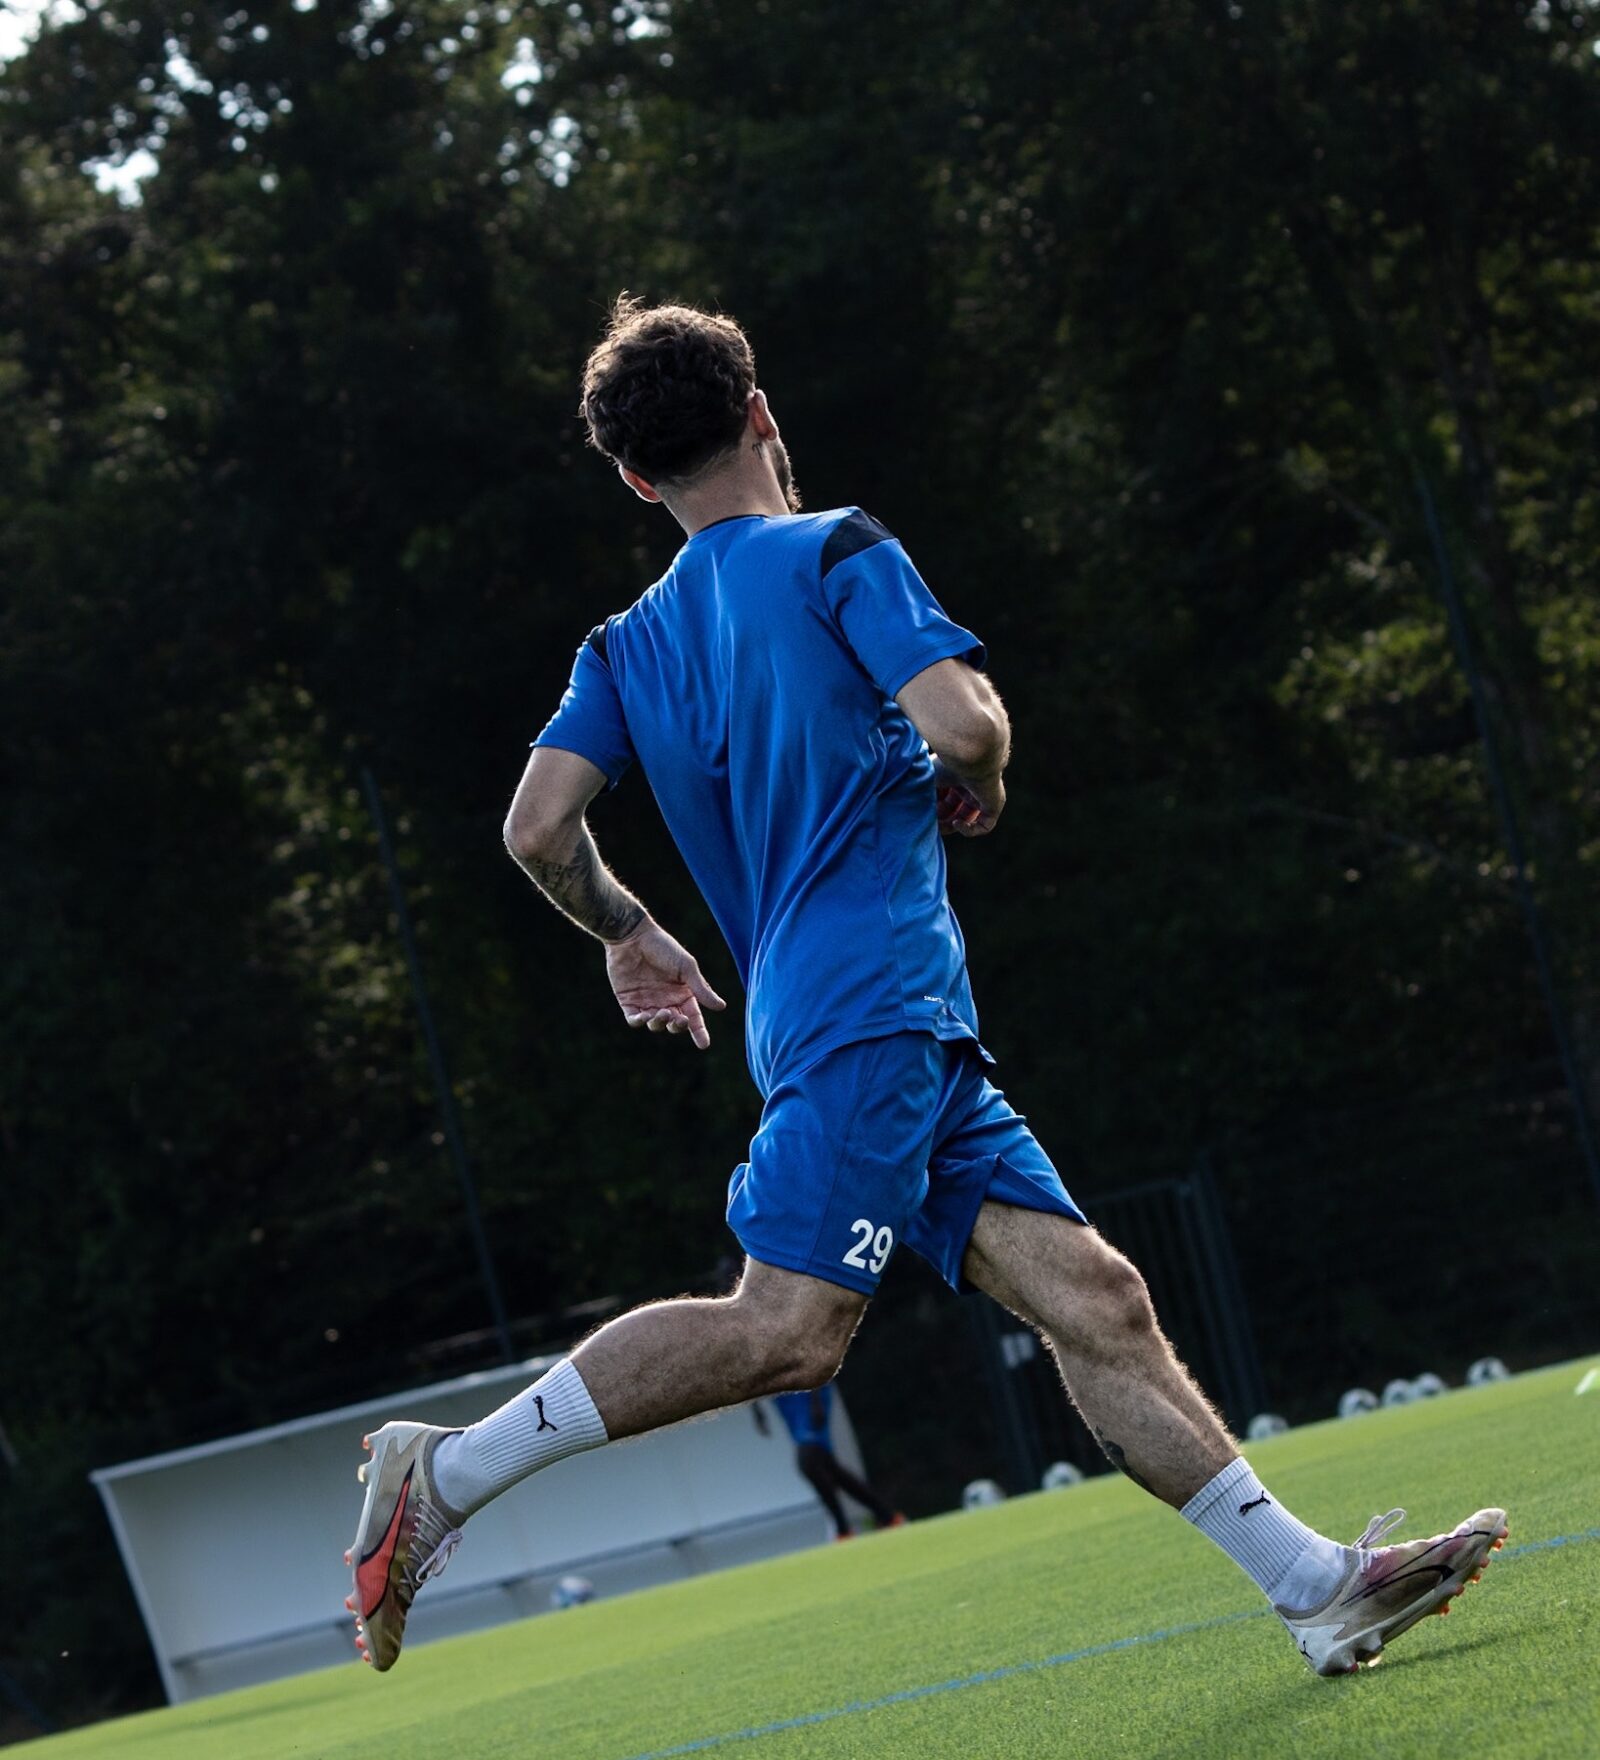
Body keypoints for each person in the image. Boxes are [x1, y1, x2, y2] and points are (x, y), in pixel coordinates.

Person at [344, 297, 1505, 1678]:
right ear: (761, 413)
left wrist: (626, 930)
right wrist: (982, 777)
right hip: (871, 1009)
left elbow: (538, 829)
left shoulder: (623, 644)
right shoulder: (835, 547)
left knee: (1097, 1300)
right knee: (787, 1330)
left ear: (637, 479)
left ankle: (1315, 1589)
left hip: (870, 1024)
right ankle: (448, 1473)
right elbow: (966, 721)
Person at [769, 1384, 906, 1540]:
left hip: (807, 1392)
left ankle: (843, 1529)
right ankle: (888, 1518)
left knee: (807, 1461)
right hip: (784, 1397)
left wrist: (815, 1399)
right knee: (829, 1466)